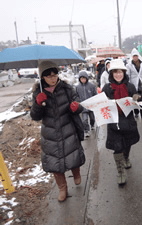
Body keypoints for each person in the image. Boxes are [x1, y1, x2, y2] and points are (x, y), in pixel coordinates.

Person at [30, 61, 85, 202]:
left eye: (55, 75)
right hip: (50, 133)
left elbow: (78, 103)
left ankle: (76, 173)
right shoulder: (38, 92)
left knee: (73, 154)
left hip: (68, 127)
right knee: (55, 162)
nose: (53, 79)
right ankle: (62, 188)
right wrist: (38, 104)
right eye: (48, 76)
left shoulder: (66, 88)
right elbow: (35, 116)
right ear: (42, 77)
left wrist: (76, 107)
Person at [102, 59, 140, 185]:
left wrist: (136, 99)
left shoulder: (130, 86)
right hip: (114, 121)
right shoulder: (107, 88)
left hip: (128, 120)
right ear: (111, 74)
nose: (118, 75)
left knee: (127, 143)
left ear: (124, 73)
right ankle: (120, 171)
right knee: (117, 147)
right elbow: (101, 105)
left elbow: (137, 101)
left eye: (120, 72)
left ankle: (126, 157)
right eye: (115, 72)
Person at [76, 70, 98, 138]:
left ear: (86, 78)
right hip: (83, 106)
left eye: (84, 78)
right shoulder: (77, 87)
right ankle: (86, 131)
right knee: (84, 120)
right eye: (81, 78)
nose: (83, 80)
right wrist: (78, 101)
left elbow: (95, 94)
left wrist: (95, 101)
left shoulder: (91, 85)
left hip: (91, 106)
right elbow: (76, 96)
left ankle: (92, 124)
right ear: (79, 79)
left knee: (92, 118)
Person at [126, 48, 142, 120]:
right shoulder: (129, 65)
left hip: (141, 84)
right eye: (134, 56)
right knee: (135, 100)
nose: (135, 57)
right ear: (132, 57)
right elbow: (128, 75)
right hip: (134, 84)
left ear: (138, 56)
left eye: (136, 56)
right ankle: (136, 112)